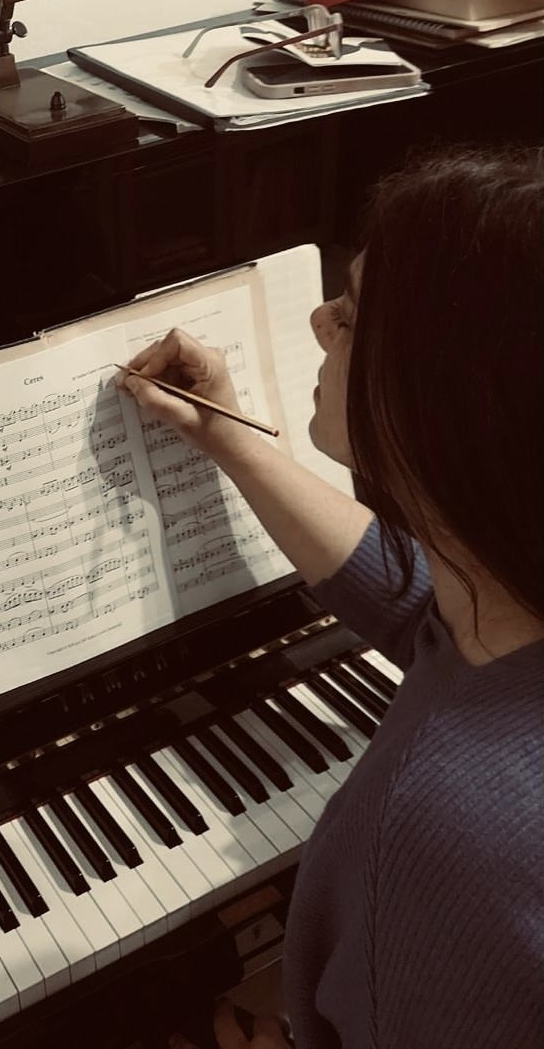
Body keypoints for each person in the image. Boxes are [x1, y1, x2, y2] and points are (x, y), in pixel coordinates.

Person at [117, 147, 543, 1049]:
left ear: (436, 400)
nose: (317, 319)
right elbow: (422, 602)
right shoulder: (510, 588)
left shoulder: (452, 843)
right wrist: (229, 440)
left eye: (349, 313)